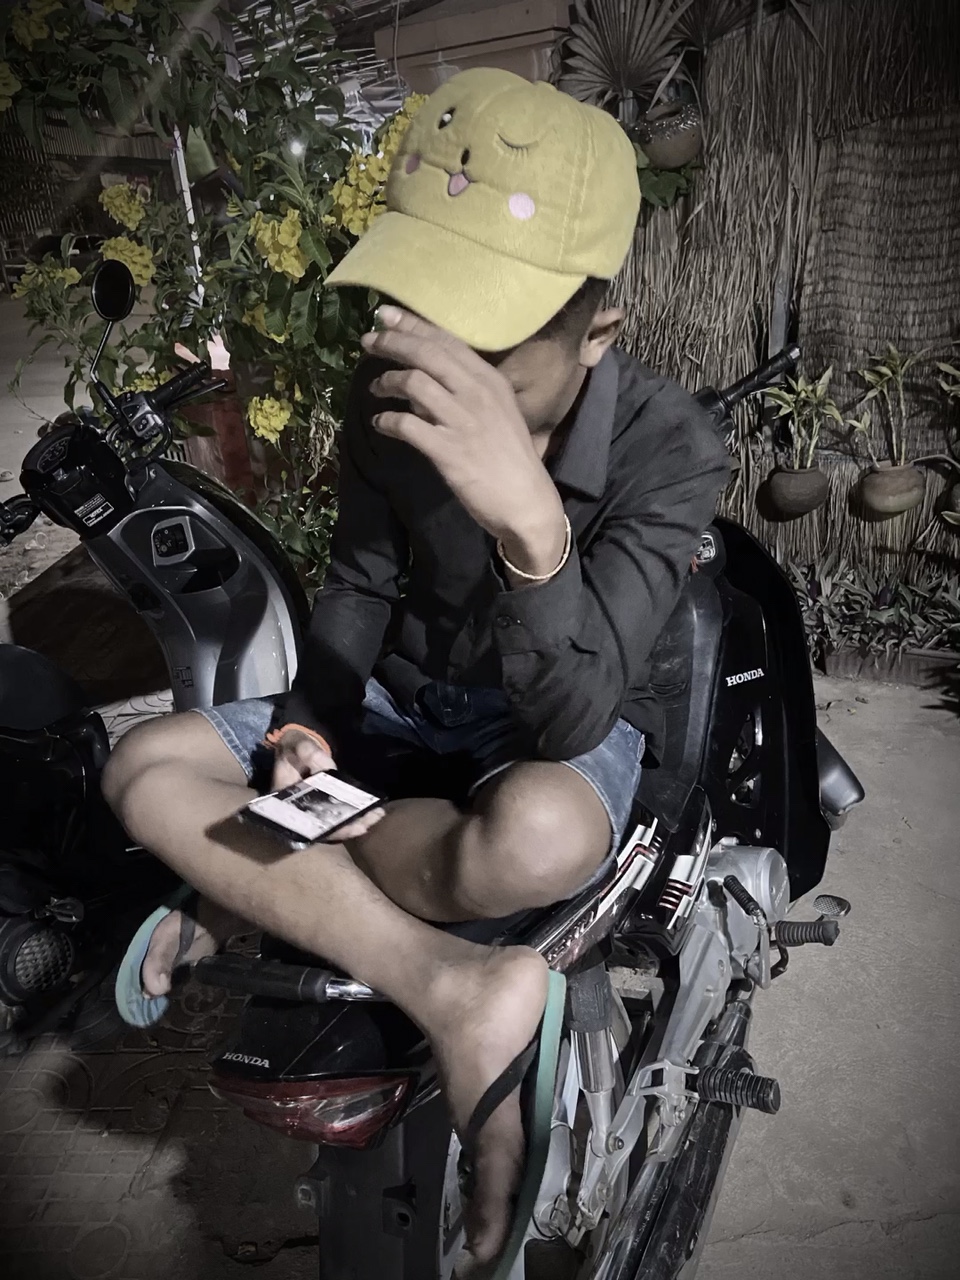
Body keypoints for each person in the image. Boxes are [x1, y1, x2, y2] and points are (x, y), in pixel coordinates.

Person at [104, 68, 729, 1277]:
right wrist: (308, 727)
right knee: (144, 764)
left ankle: (263, 875)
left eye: (488, 339)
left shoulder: (674, 445)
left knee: (543, 837)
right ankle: (453, 987)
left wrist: (532, 530)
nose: (443, 367)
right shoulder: (384, 391)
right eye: (423, 312)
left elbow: (575, 712)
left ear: (598, 332)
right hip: (404, 700)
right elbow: (361, 583)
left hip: (549, 725)